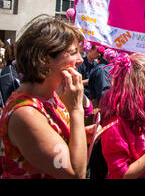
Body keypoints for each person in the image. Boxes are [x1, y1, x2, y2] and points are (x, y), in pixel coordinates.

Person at [0, 15, 87, 178]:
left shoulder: (50, 95)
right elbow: (76, 174)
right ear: (45, 60)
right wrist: (76, 110)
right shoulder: (26, 113)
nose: (80, 60)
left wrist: (83, 133)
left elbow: (58, 139)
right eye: (73, 53)